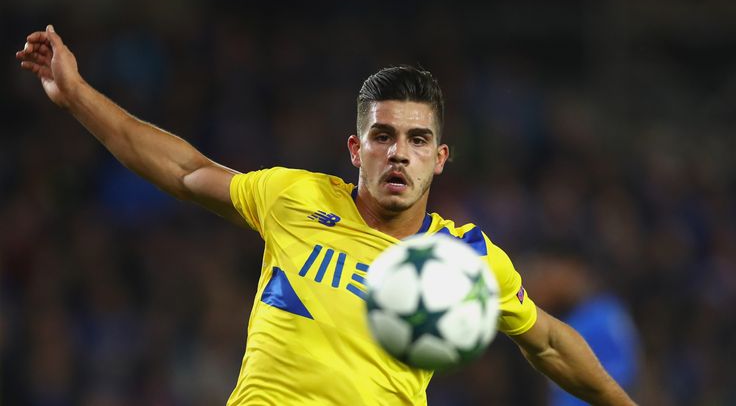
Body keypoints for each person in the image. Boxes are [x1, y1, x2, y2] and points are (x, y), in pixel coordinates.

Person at [17, 25, 635, 405]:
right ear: (355, 148)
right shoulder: (294, 197)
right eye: (383, 136)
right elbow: (182, 171)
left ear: (440, 158)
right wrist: (76, 94)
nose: (399, 152)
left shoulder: (465, 257)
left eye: (418, 140)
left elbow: (548, 340)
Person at [523, 247, 641, 406]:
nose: (543, 283)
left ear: (574, 269)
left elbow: (623, 383)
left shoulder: (600, 318)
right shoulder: (575, 318)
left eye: (548, 273)